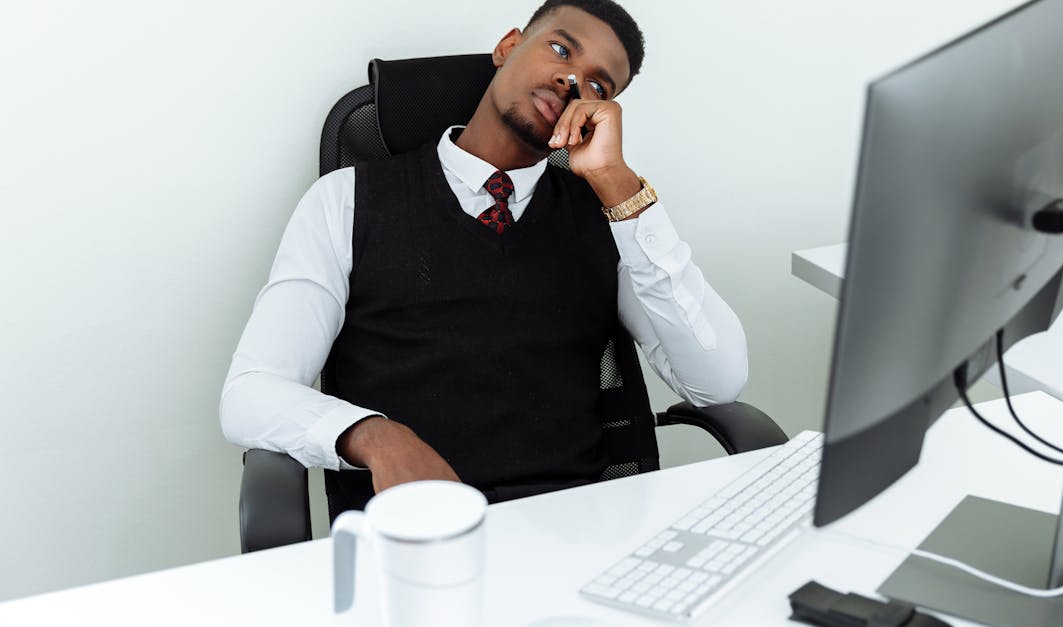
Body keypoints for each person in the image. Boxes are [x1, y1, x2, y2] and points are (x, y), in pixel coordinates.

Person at [220, 0, 748, 510]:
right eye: (562, 51)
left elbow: (717, 382)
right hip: (416, 533)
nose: (572, 82)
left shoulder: (611, 219)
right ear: (509, 47)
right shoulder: (346, 200)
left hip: (577, 530)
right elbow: (251, 392)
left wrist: (618, 186)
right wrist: (377, 437)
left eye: (597, 85)